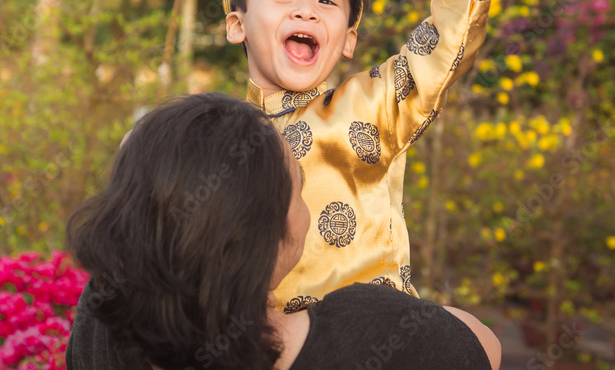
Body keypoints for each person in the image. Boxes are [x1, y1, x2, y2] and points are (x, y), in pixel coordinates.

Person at [220, 0, 492, 311]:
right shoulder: (215, 136)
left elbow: (454, 33)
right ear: (237, 24)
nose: (306, 8)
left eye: (327, 1)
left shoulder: (373, 104)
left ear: (347, 39)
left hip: (373, 344)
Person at [65, 93, 501, 370]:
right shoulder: (375, 332)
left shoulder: (104, 318)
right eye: (299, 188)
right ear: (268, 235)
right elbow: (481, 344)